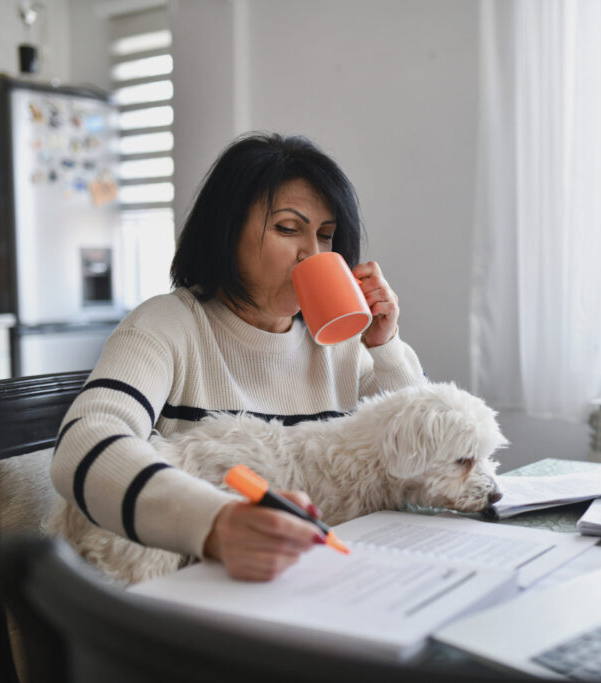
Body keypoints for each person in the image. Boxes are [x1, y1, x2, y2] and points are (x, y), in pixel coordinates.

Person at [50, 133, 427, 581]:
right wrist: (212, 523)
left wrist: (385, 346)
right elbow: (85, 444)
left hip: (314, 580)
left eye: (326, 236)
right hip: (199, 590)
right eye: (288, 228)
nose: (314, 253)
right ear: (226, 232)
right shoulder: (168, 325)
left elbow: (423, 453)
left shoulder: (342, 344)